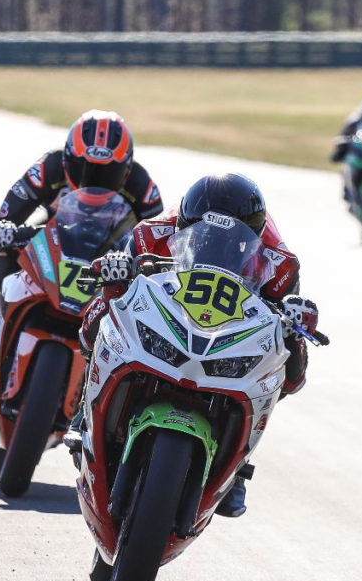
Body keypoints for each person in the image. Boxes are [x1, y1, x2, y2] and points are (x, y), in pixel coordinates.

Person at [73, 172, 319, 518]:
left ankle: (236, 469)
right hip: (171, 311)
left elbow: (287, 342)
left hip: (227, 330)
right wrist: (115, 273)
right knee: (97, 321)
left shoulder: (279, 263)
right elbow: (121, 282)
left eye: (231, 241)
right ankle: (86, 406)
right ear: (183, 223)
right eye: (204, 236)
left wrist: (296, 325)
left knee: (286, 376)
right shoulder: (150, 234)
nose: (215, 245)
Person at [0, 109, 163, 366]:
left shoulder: (143, 186)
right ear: (68, 160)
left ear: (126, 169)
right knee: (8, 255)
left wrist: (140, 264)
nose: (94, 180)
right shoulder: (48, 168)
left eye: (107, 173)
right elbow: (4, 215)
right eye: (85, 170)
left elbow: (156, 239)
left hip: (110, 248)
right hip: (58, 234)